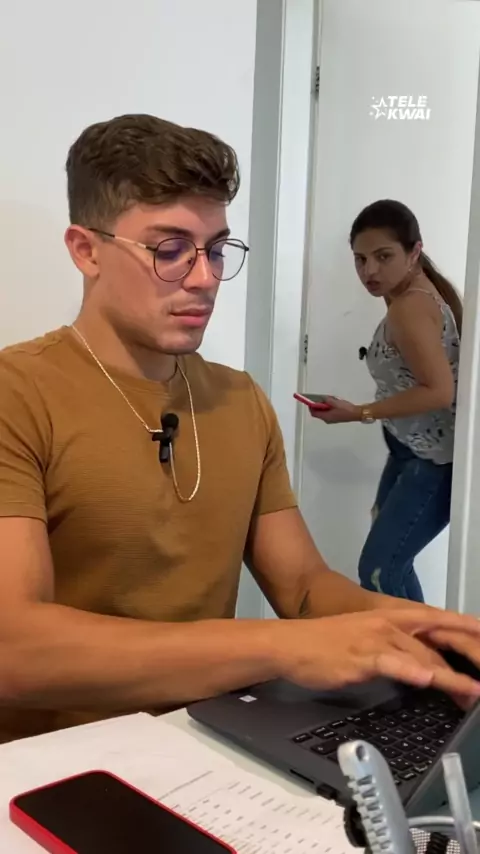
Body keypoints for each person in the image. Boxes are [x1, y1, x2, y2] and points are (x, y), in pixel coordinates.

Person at [0, 121, 478, 746]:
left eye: (217, 249)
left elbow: (304, 589)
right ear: (86, 250)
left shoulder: (241, 401)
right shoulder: (18, 393)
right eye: (170, 249)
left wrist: (437, 630)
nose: (203, 277)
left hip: (211, 747)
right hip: (59, 763)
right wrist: (283, 647)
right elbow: (14, 650)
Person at [311, 199, 461, 603]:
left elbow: (439, 391)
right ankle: (418, 643)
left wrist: (359, 412)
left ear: (414, 252)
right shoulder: (409, 296)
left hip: (432, 462)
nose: (369, 271)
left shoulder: (410, 307)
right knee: (391, 565)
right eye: (360, 260)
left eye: (383, 257)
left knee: (380, 571)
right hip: (408, 450)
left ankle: (424, 645)